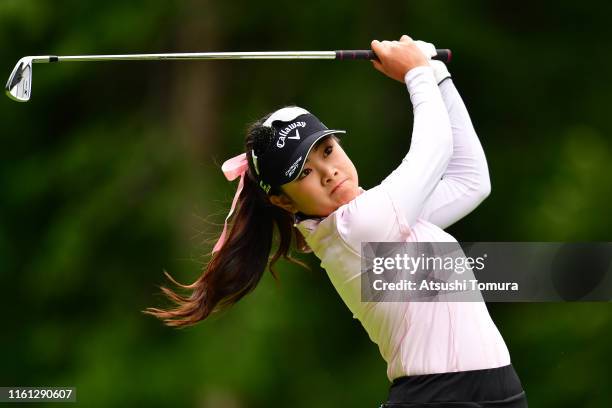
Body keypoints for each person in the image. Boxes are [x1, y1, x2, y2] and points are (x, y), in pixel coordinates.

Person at [144, 35, 528, 407]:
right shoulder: (356, 229)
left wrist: (437, 76)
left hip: (499, 390)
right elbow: (436, 149)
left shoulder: (386, 215)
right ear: (282, 200)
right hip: (440, 397)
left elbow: (470, 181)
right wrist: (418, 74)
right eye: (304, 173)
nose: (328, 171)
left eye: (328, 150)